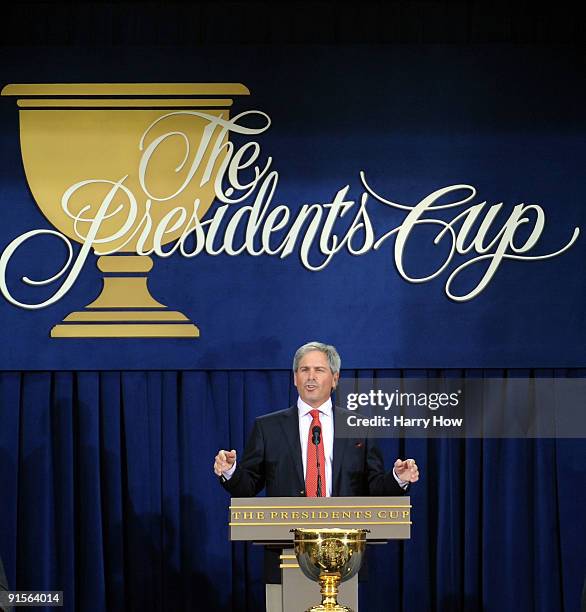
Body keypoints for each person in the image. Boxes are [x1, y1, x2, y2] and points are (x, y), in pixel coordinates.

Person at [214, 341, 419, 497]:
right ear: (295, 378)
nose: (311, 377)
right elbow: (248, 487)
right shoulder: (267, 427)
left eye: (319, 370)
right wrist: (230, 471)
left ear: (335, 379)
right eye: (304, 370)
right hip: (284, 543)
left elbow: (375, 488)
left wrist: (397, 478)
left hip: (344, 542)